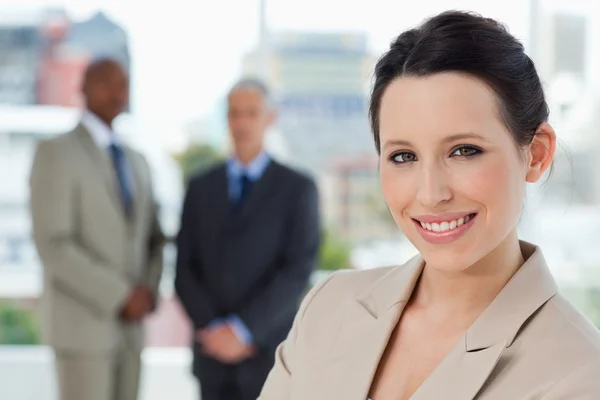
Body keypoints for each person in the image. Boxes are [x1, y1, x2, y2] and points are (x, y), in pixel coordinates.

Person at [259, 11, 600, 400]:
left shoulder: (579, 374)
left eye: (464, 151)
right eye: (404, 156)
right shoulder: (329, 307)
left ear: (536, 154)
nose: (430, 194)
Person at [175, 78, 320, 400]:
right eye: (234, 113)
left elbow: (298, 269)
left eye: (251, 113)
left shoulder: (297, 188)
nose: (241, 122)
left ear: (270, 118)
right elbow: (184, 269)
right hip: (210, 357)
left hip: (269, 354)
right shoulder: (199, 188)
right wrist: (215, 330)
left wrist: (244, 329)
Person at [30, 58, 164, 400]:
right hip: (83, 331)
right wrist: (120, 295)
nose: (116, 91)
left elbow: (153, 237)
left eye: (123, 83)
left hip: (132, 332)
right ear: (83, 87)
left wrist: (148, 290)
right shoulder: (55, 153)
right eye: (106, 81)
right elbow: (53, 245)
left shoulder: (138, 160)